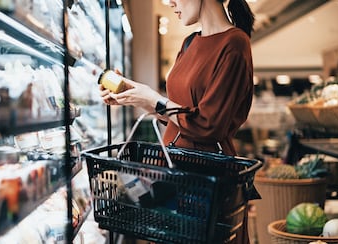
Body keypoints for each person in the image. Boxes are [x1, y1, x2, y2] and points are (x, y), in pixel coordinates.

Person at [100, 0, 255, 243]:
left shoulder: (234, 43)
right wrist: (137, 97)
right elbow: (181, 116)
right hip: (174, 173)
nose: (169, 2)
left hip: (205, 180)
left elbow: (207, 125)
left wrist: (154, 98)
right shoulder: (189, 42)